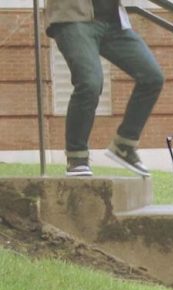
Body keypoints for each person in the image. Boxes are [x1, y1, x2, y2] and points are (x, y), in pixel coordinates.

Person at [45, 0, 164, 177]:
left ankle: (124, 145)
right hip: (74, 18)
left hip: (113, 22)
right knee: (90, 83)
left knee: (152, 77)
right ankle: (77, 157)